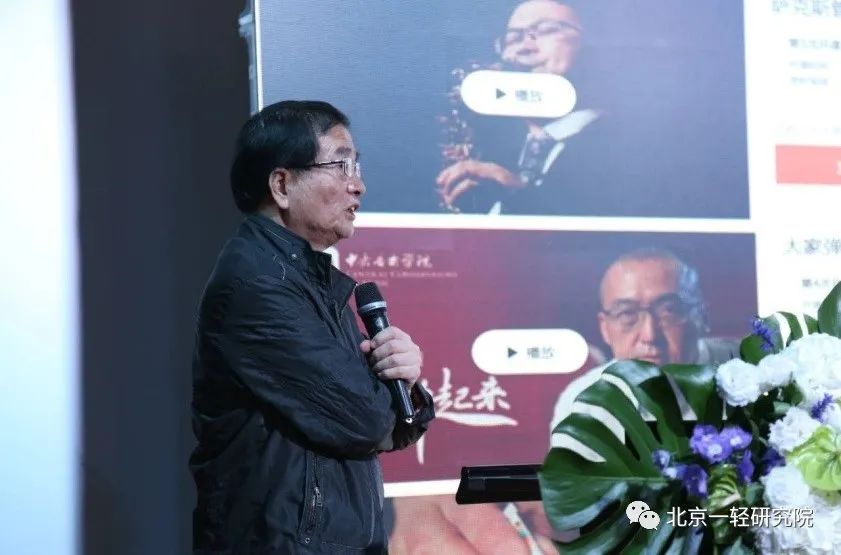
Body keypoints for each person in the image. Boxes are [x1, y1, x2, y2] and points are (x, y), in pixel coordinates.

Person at [190, 100, 435, 554]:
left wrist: (405, 379)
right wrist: (387, 389)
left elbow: (393, 426)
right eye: (341, 166)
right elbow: (365, 420)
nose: (358, 185)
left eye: (356, 166)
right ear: (282, 185)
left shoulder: (309, 278)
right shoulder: (256, 286)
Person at [389, 247, 738, 553]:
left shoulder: (753, 368)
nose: (649, 335)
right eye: (627, 314)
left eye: (668, 311)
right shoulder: (586, 402)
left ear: (701, 315)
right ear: (605, 328)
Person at [436, 0, 628, 215]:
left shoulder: (630, 146)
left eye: (547, 30)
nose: (524, 47)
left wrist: (517, 193)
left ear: (594, 45)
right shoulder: (494, 152)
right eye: (513, 38)